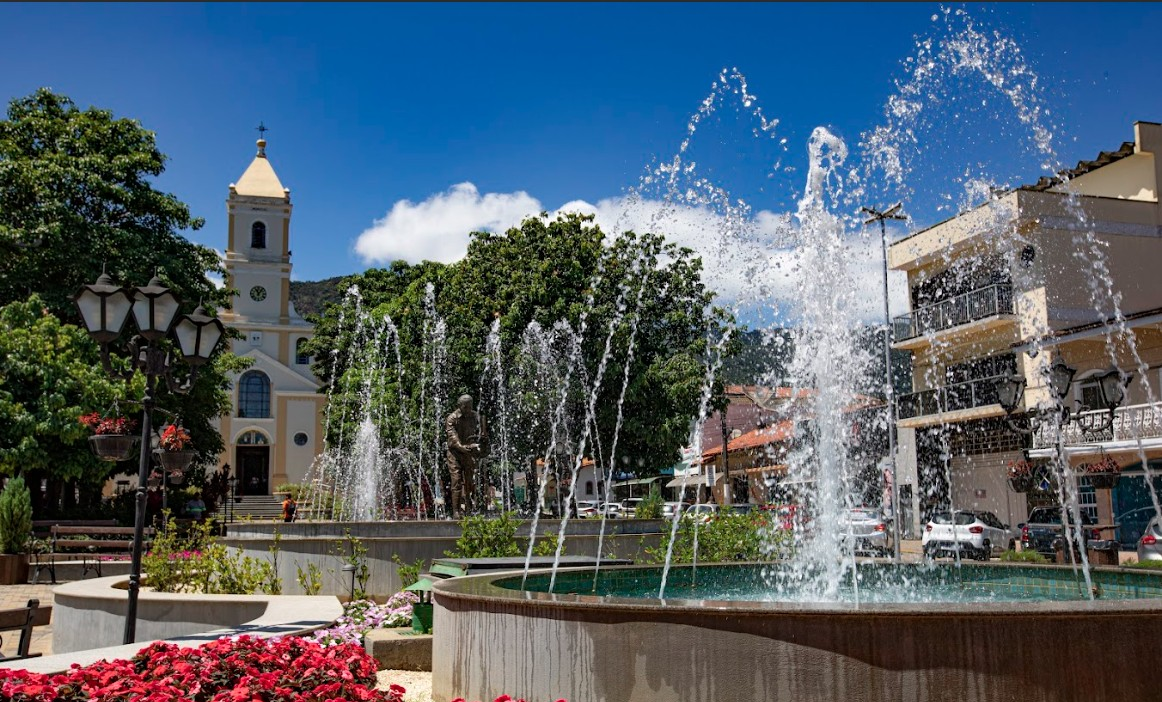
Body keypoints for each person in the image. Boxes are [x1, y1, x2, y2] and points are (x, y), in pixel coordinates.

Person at [445, 394, 489, 518]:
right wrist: (465, 447)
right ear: (460, 406)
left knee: (470, 481)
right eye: (466, 407)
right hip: (455, 453)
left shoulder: (475, 416)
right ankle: (456, 511)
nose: (469, 409)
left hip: (469, 452)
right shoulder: (452, 418)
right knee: (456, 481)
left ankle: (470, 508)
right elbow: (454, 440)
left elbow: (482, 434)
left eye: (470, 406)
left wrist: (483, 439)